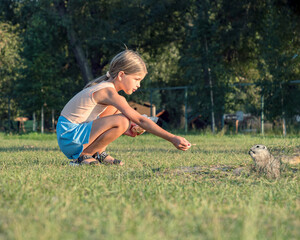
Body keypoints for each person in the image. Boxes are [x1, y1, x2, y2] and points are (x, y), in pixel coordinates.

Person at [56, 49, 191, 165]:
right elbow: (141, 120)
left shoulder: (109, 92)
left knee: (119, 114)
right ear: (121, 75)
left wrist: (129, 129)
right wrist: (172, 138)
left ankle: (98, 153)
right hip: (70, 137)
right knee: (122, 120)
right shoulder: (107, 92)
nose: (138, 85)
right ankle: (84, 155)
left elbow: (107, 124)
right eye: (137, 79)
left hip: (70, 137)